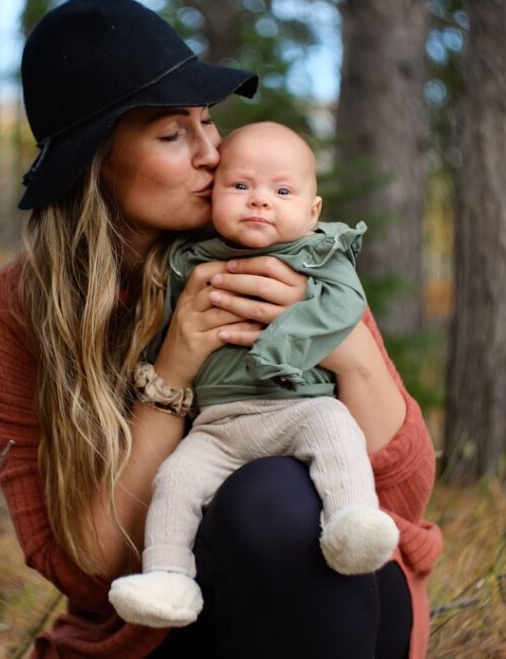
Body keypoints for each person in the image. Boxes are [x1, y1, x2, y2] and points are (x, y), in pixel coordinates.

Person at [0, 0, 442, 659]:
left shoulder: (280, 245)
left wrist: (343, 343)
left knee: (271, 496)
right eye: (173, 134)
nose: (212, 153)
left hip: (341, 599)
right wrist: (172, 374)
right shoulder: (19, 309)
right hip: (163, 625)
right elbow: (88, 571)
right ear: (95, 165)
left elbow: (404, 495)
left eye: (208, 121)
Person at [108, 121, 399, 629]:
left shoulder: (318, 254)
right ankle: (167, 576)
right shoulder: (190, 259)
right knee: (176, 479)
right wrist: (161, 366)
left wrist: (287, 334)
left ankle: (350, 520)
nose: (260, 200)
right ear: (214, 196)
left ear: (313, 211)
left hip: (298, 407)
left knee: (336, 428)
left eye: (282, 192)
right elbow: (160, 325)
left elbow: (345, 307)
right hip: (218, 424)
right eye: (241, 186)